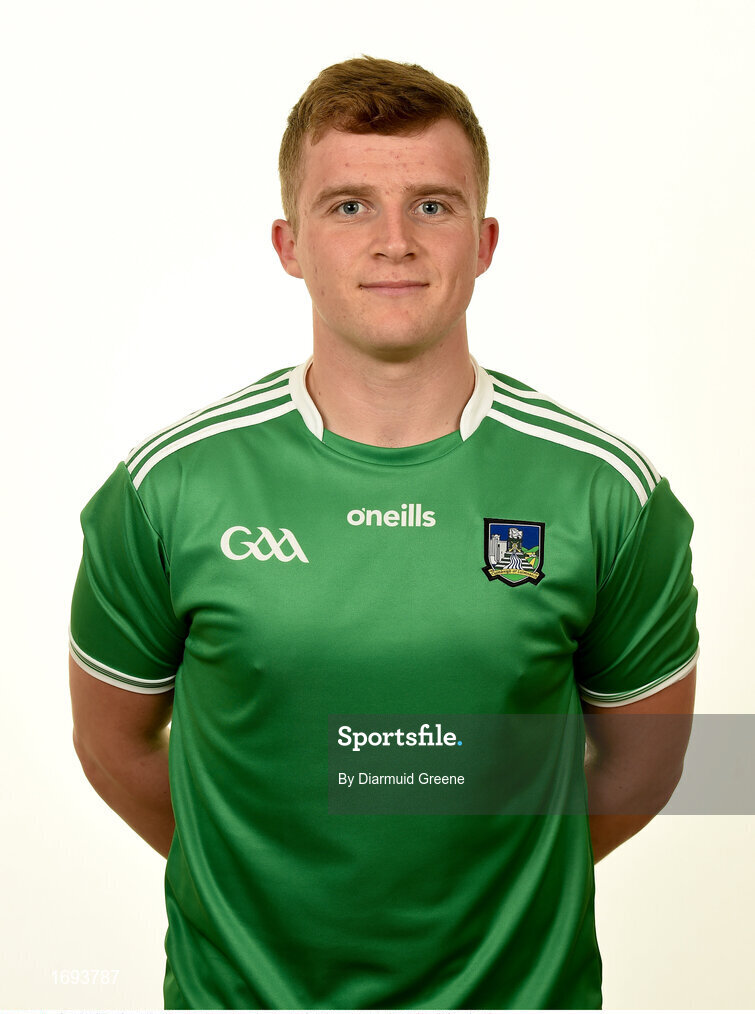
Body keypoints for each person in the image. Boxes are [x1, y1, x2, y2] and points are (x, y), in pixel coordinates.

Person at [68, 55, 699, 1010]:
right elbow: (114, 747)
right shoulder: (168, 491)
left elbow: (642, 767)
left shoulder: (608, 493)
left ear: (484, 241)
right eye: (349, 205)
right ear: (289, 243)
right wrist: (266, 880)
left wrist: (491, 884)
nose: (395, 241)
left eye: (434, 206)